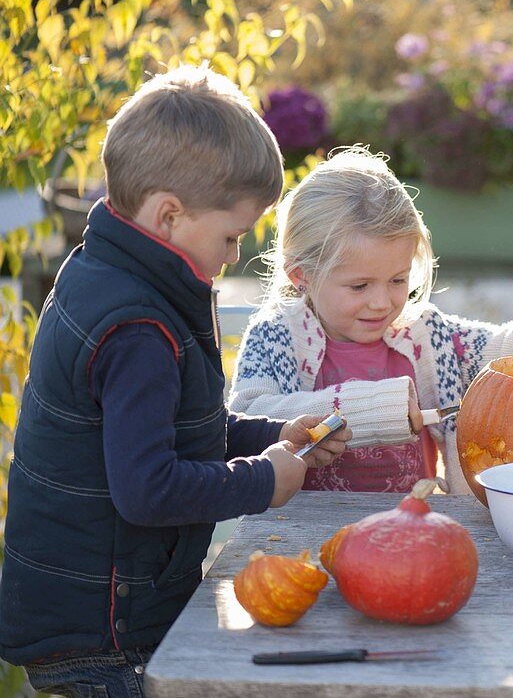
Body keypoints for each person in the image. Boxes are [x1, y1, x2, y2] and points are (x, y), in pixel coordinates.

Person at [0, 66, 350, 695]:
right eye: (231, 234)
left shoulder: (109, 272)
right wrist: (264, 479)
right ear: (168, 215)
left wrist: (268, 434)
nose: (235, 254)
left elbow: (170, 431)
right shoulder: (137, 327)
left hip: (102, 609)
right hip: (106, 635)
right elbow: (148, 490)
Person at [228, 147, 513, 495]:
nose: (382, 302)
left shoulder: (425, 336)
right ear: (301, 276)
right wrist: (370, 408)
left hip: (412, 532)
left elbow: (499, 350)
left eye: (398, 280)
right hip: (297, 537)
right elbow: (247, 420)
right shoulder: (276, 336)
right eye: (359, 286)